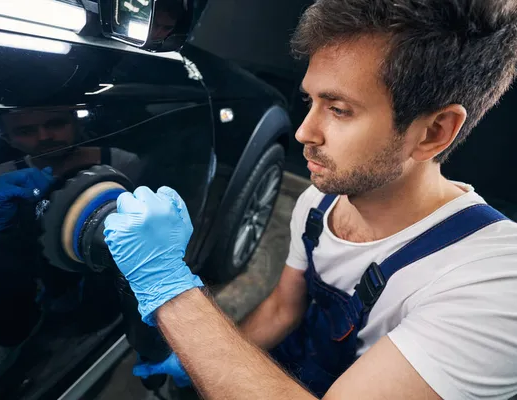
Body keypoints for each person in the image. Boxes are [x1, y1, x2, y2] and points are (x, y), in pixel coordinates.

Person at [102, 0, 517, 399]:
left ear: (433, 133)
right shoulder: (319, 205)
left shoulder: (492, 283)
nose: (304, 132)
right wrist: (198, 364)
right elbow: (283, 308)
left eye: (338, 109)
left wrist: (167, 286)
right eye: (310, 101)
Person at [0, 108, 142, 390]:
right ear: (8, 138)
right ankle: (12, 337)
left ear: (76, 122)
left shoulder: (120, 160)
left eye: (56, 123)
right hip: (28, 267)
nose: (44, 136)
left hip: (97, 260)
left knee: (98, 319)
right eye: (26, 131)